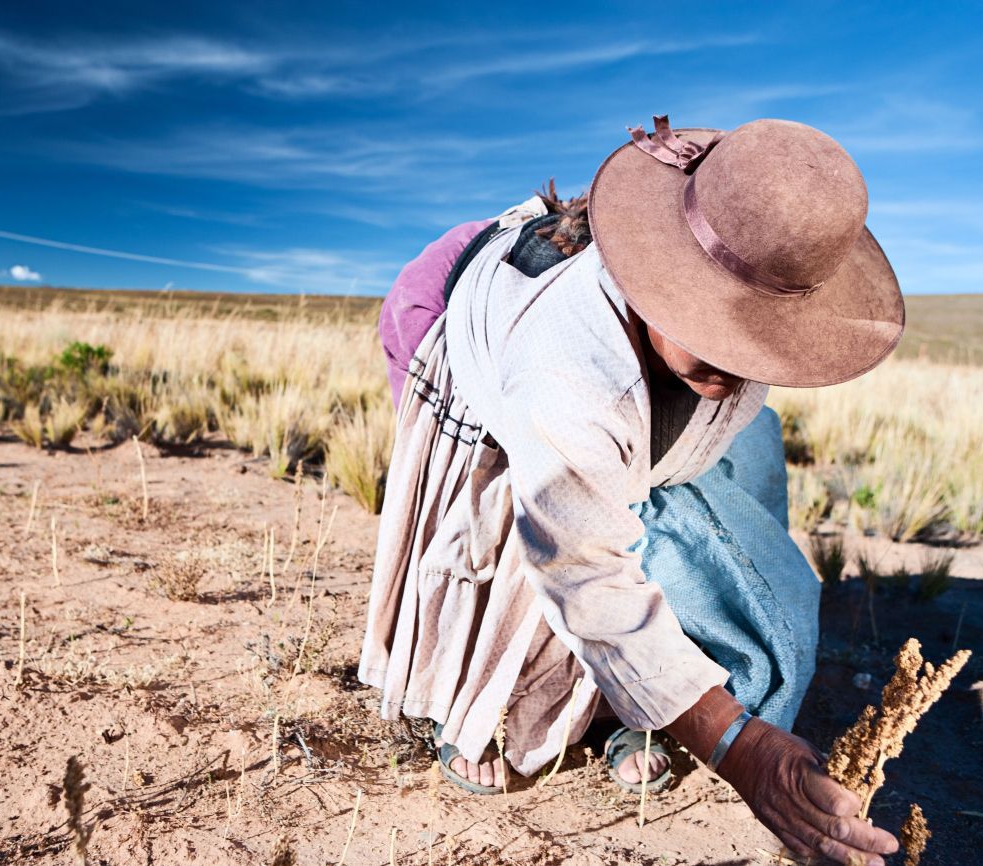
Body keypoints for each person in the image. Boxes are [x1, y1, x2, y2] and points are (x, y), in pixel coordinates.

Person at [359, 116, 906, 866]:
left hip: (597, 377)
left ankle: (635, 707)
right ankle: (477, 713)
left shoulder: (731, 318)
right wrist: (737, 746)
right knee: (522, 529)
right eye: (713, 322)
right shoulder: (563, 369)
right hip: (451, 313)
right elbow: (579, 561)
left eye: (760, 333)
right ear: (663, 276)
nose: (733, 362)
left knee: (718, 476)